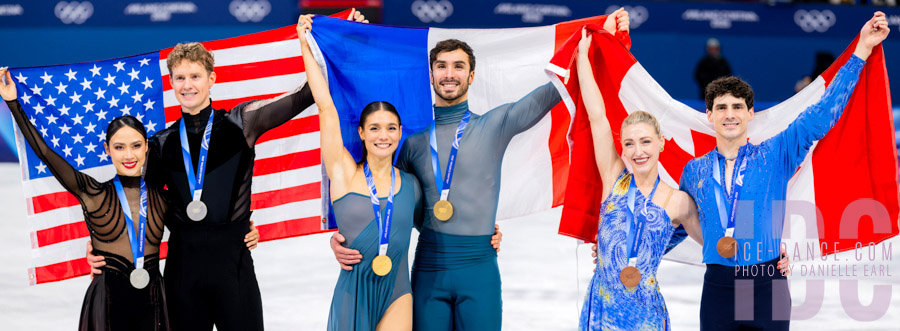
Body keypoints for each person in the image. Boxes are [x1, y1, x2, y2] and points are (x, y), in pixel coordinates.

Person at [328, 9, 631, 330]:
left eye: (459, 66)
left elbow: (553, 91)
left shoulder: (495, 125)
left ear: (471, 76)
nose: (449, 73)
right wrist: (345, 238)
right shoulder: (412, 146)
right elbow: (390, 204)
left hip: (480, 270)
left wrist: (600, 35)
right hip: (428, 272)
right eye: (441, 66)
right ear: (430, 75)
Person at [84, 10, 369, 330]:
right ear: (171, 82)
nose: (187, 85)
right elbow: (130, 199)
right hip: (182, 273)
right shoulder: (161, 145)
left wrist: (343, 39)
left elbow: (304, 95)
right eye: (180, 77)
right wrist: (99, 243)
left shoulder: (242, 123)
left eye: (195, 76)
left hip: (234, 266)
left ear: (212, 79)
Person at [679, 12, 889, 330]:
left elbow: (822, 114)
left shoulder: (776, 153)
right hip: (718, 289)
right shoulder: (694, 170)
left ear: (751, 113)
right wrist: (623, 249)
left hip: (767, 284)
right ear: (709, 114)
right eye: (721, 107)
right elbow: (677, 223)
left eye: (737, 107)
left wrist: (861, 50)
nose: (730, 114)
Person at [1, 68, 176, 330]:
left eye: (136, 145)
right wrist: (13, 103)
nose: (129, 155)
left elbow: (197, 231)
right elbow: (46, 153)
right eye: (119, 147)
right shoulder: (93, 193)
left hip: (152, 302)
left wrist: (244, 228)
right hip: (107, 301)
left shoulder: (162, 197)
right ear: (107, 150)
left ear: (147, 147)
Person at [573, 28, 703, 331]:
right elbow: (597, 116)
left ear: (661, 143)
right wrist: (582, 58)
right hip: (601, 311)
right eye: (629, 143)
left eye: (645, 142)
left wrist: (766, 256)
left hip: (646, 316)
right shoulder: (613, 178)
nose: (637, 151)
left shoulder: (679, 201)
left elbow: (716, 247)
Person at [299, 15, 421, 330]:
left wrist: (487, 233)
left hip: (398, 292)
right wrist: (305, 43)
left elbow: (436, 226)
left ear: (400, 132)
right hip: (353, 294)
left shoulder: (411, 183)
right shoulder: (344, 173)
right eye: (375, 128)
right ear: (362, 133)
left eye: (391, 128)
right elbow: (326, 106)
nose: (384, 136)